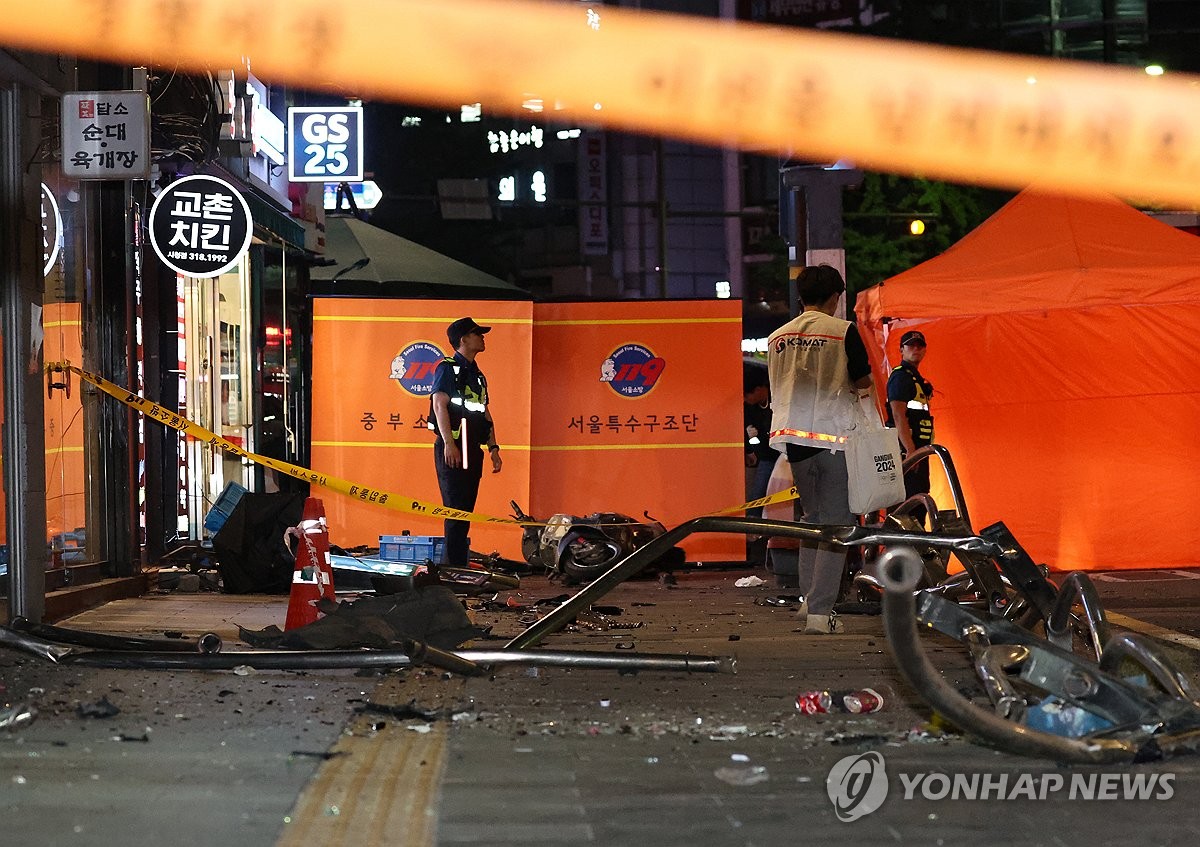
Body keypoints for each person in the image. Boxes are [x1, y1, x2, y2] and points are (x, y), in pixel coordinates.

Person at [767, 265, 873, 635]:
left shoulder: (778, 336)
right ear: (835, 297)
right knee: (836, 526)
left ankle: (807, 602)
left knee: (811, 521)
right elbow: (862, 381)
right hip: (833, 439)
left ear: (800, 297)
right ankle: (820, 613)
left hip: (792, 440)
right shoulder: (842, 331)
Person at [429, 317, 502, 568]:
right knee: (455, 510)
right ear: (463, 340)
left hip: (473, 450)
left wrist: (494, 448)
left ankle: (458, 565)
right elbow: (439, 405)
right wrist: (449, 444)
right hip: (454, 449)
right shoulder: (447, 368)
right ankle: (454, 568)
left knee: (465, 511)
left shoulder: (478, 375)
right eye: (477, 334)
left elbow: (485, 413)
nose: (483, 337)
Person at [886, 329, 935, 524]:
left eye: (920, 345)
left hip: (917, 452)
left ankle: (914, 551)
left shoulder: (916, 379)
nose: (916, 349)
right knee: (907, 507)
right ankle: (902, 551)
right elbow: (898, 415)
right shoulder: (901, 377)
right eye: (910, 345)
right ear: (901, 350)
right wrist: (910, 451)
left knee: (918, 503)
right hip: (907, 453)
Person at [743, 367, 778, 520]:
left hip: (787, 456)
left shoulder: (779, 400)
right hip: (766, 456)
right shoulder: (749, 409)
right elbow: (749, 432)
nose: (744, 399)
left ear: (759, 389)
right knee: (758, 493)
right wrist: (751, 450)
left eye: (746, 394)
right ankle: (752, 527)